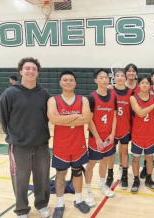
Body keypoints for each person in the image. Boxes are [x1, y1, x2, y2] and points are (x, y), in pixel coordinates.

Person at [0, 57, 51, 218]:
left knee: (42, 178)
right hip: (19, 146)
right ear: (20, 71)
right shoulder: (10, 93)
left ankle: (41, 204)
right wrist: (15, 135)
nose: (30, 71)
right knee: (20, 180)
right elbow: (3, 118)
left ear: (37, 73)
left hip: (41, 144)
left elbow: (47, 117)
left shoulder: (44, 93)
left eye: (34, 69)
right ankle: (21, 209)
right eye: (27, 68)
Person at [47, 71, 91, 218]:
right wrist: (76, 115)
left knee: (78, 172)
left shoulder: (83, 99)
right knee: (61, 174)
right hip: (61, 145)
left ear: (75, 83)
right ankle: (60, 204)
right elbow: (54, 120)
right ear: (60, 83)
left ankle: (78, 200)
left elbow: (85, 119)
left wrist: (63, 118)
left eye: (71, 80)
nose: (68, 82)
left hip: (78, 144)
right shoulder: (53, 100)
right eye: (65, 80)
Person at [85, 69, 117, 207]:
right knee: (91, 164)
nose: (104, 80)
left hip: (108, 136)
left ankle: (102, 185)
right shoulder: (91, 97)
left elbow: (115, 116)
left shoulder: (113, 96)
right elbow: (89, 120)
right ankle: (87, 191)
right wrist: (97, 138)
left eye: (106, 77)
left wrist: (112, 134)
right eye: (101, 78)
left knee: (104, 161)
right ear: (96, 80)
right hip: (95, 137)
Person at [130, 74, 154, 193]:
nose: (144, 84)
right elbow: (140, 113)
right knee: (136, 159)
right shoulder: (133, 98)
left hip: (150, 134)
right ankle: (136, 179)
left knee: (149, 158)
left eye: (147, 83)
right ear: (139, 84)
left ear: (150, 85)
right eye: (142, 82)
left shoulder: (152, 97)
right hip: (137, 134)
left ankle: (149, 179)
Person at [106, 68, 133, 190]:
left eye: (122, 75)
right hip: (112, 128)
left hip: (125, 127)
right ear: (114, 78)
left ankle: (125, 175)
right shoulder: (109, 91)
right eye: (118, 75)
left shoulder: (130, 92)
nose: (120, 77)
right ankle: (110, 175)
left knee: (125, 151)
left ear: (125, 78)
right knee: (111, 153)